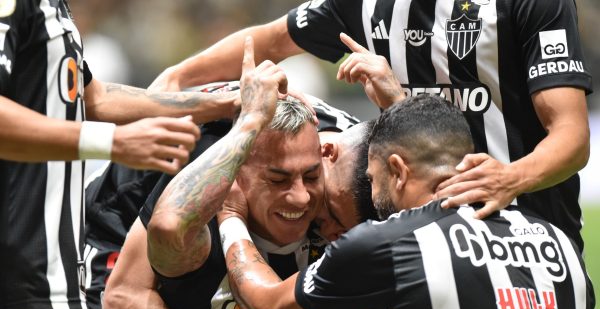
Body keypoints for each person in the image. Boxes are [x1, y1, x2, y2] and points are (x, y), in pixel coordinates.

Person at [151, 0, 592, 251]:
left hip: (533, 237)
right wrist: (174, 80)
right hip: (426, 245)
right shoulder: (361, 4)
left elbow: (572, 137)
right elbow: (270, 39)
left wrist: (509, 178)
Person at [217, 94, 599, 309]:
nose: (373, 199)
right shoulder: (558, 242)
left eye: (373, 176)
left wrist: (231, 216)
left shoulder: (388, 245)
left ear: (397, 170)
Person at [103, 39, 376, 309]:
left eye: (312, 177)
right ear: (237, 175)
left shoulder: (368, 171)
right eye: (278, 179)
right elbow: (122, 297)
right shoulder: (211, 159)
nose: (302, 197)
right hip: (115, 221)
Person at [0, 1, 240, 309]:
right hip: (17, 279)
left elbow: (94, 98)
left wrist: (220, 102)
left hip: (52, 278)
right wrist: (112, 142)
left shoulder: (54, 7)